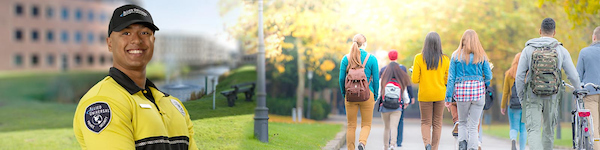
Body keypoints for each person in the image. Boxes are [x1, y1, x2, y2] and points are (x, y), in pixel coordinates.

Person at [72, 4, 197, 150]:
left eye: (145, 33)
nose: (137, 40)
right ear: (110, 43)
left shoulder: (174, 105)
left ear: (153, 42)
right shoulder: (102, 103)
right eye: (126, 33)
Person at [515, 18, 581, 150]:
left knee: (533, 130)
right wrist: (578, 89)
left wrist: (522, 97)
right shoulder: (561, 50)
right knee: (549, 131)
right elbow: (573, 75)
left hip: (532, 95)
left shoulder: (528, 50)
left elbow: (519, 76)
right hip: (553, 96)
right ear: (554, 32)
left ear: (540, 31)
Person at [445, 29, 492, 150]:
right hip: (477, 93)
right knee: (473, 125)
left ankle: (462, 145)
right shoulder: (481, 55)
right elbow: (489, 76)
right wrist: (484, 83)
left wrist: (448, 97)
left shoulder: (455, 56)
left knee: (462, 122)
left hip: (461, 94)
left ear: (463, 40)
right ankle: (472, 147)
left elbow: (451, 78)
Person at [339, 34, 379, 150]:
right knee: (366, 124)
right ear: (365, 44)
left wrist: (344, 93)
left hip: (350, 95)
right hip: (367, 95)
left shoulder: (346, 58)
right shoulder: (372, 59)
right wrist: (375, 96)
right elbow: (376, 80)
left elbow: (341, 78)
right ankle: (362, 143)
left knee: (351, 125)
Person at [411, 31, 450, 150]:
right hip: (439, 94)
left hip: (425, 95)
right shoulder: (445, 59)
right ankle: (434, 148)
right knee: (437, 123)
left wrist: (414, 72)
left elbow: (415, 80)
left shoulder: (419, 58)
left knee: (425, 122)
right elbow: (447, 79)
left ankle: (427, 144)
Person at [378, 50, 415, 147]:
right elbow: (406, 85)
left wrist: (376, 99)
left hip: (385, 103)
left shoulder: (383, 69)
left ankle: (386, 145)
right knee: (398, 122)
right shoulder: (401, 68)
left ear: (389, 57)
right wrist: (410, 98)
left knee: (387, 127)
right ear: (397, 56)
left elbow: (380, 87)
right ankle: (396, 143)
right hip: (398, 101)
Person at [576, 26, 600, 150]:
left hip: (591, 95)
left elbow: (577, 76)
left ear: (594, 37)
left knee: (593, 127)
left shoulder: (584, 52)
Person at [501, 53, 527, 150]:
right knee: (523, 128)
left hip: (513, 105)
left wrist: (503, 106)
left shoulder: (509, 74)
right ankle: (522, 148)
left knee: (514, 127)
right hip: (524, 105)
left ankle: (513, 140)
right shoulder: (527, 73)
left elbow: (505, 92)